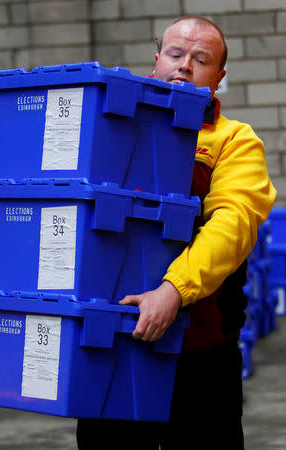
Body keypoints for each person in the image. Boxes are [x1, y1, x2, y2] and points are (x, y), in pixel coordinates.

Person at [76, 16, 276, 449]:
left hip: (198, 351)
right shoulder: (108, 128)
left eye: (201, 59)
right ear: (156, 60)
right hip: (112, 343)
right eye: (175, 53)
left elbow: (233, 224)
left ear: (218, 78)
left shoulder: (233, 141)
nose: (185, 65)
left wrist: (173, 291)